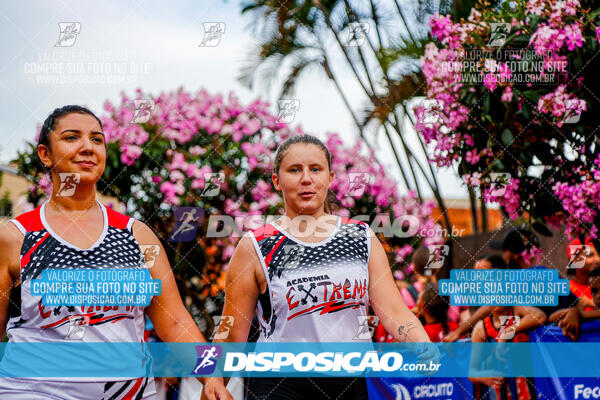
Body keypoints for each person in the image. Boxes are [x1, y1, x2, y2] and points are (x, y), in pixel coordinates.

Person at [0, 105, 232, 400]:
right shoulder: (15, 237)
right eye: (72, 138)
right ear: (45, 154)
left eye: (97, 140)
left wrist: (210, 375)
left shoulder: (136, 235)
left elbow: (174, 321)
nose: (87, 147)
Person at [215, 134, 437, 399]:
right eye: (294, 170)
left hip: (349, 383)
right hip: (279, 385)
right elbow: (231, 332)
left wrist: (424, 346)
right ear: (277, 180)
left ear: (330, 178)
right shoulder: (256, 246)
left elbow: (394, 312)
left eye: (316, 169)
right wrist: (214, 379)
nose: (306, 179)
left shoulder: (361, 238)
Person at [469, 304, 546, 400]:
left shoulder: (517, 310)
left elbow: (540, 316)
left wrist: (507, 333)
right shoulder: (482, 327)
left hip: (529, 384)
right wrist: (484, 376)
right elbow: (472, 373)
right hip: (503, 388)